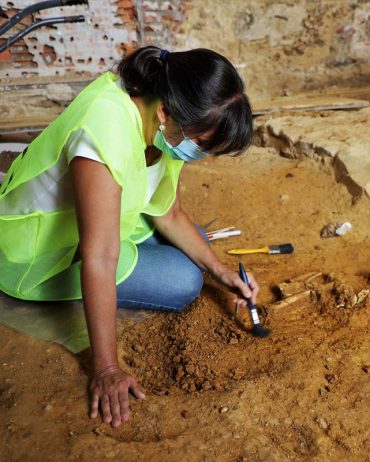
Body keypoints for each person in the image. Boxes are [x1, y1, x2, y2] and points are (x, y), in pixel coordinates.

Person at [0, 46, 259, 428]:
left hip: (106, 222)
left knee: (198, 243)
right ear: (167, 113)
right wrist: (106, 368)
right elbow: (100, 256)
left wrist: (222, 273)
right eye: (202, 145)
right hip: (35, 252)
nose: (199, 154)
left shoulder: (163, 118)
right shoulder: (104, 130)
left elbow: (168, 213)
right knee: (184, 280)